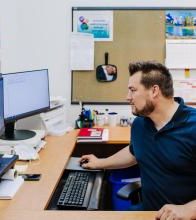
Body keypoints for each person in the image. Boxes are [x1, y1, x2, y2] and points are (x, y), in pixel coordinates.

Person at [80, 61, 196, 220]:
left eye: (132, 90)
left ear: (154, 91)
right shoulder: (140, 123)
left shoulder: (193, 127)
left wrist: (189, 209)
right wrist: (100, 162)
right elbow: (134, 152)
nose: (127, 97)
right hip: (147, 213)